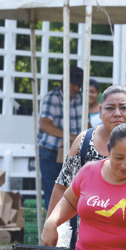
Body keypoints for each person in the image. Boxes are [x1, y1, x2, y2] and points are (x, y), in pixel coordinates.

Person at [37, 66, 84, 210]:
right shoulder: (53, 97)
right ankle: (52, 231)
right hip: (51, 153)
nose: (76, 88)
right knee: (53, 196)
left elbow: (86, 122)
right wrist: (71, 136)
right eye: (73, 83)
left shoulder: (81, 98)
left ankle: (69, 232)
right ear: (64, 80)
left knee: (73, 196)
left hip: (72, 153)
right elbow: (44, 125)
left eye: (78, 84)